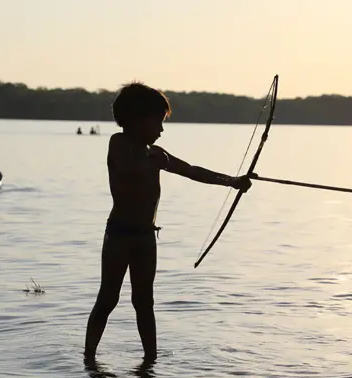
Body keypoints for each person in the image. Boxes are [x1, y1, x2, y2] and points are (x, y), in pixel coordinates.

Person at [84, 82, 252, 361]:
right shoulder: (119, 143)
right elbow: (129, 166)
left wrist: (232, 182)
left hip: (146, 237)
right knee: (108, 299)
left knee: (144, 302)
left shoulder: (154, 152)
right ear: (138, 119)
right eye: (157, 122)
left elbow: (191, 171)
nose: (161, 130)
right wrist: (153, 161)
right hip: (119, 235)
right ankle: (89, 357)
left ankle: (151, 360)